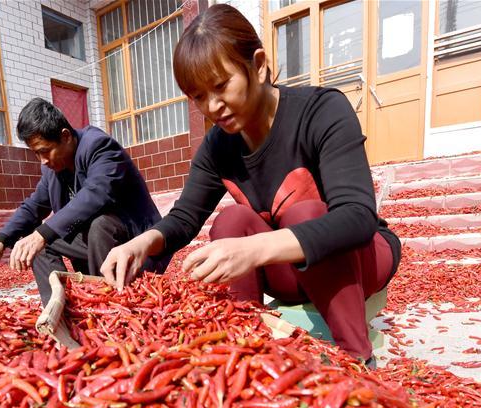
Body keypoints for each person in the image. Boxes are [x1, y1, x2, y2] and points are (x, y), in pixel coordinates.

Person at [100, 5, 400, 366]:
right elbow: (184, 217)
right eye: (198, 96)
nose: (212, 106)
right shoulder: (218, 145)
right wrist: (141, 243)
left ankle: (356, 358)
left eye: (221, 86)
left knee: (304, 212)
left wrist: (254, 249)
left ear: (258, 66)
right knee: (231, 221)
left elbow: (357, 218)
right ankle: (248, 351)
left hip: (359, 262)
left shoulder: (321, 110)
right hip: (288, 270)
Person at [0, 98, 168, 304]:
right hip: (98, 244)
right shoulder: (52, 169)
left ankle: (110, 301)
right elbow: (34, 205)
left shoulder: (98, 146)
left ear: (65, 136)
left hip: (135, 241)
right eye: (36, 153)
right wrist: (1, 241)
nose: (42, 160)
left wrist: (44, 233)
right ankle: (60, 306)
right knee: (35, 242)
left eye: (44, 151)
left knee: (98, 224)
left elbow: (96, 193)